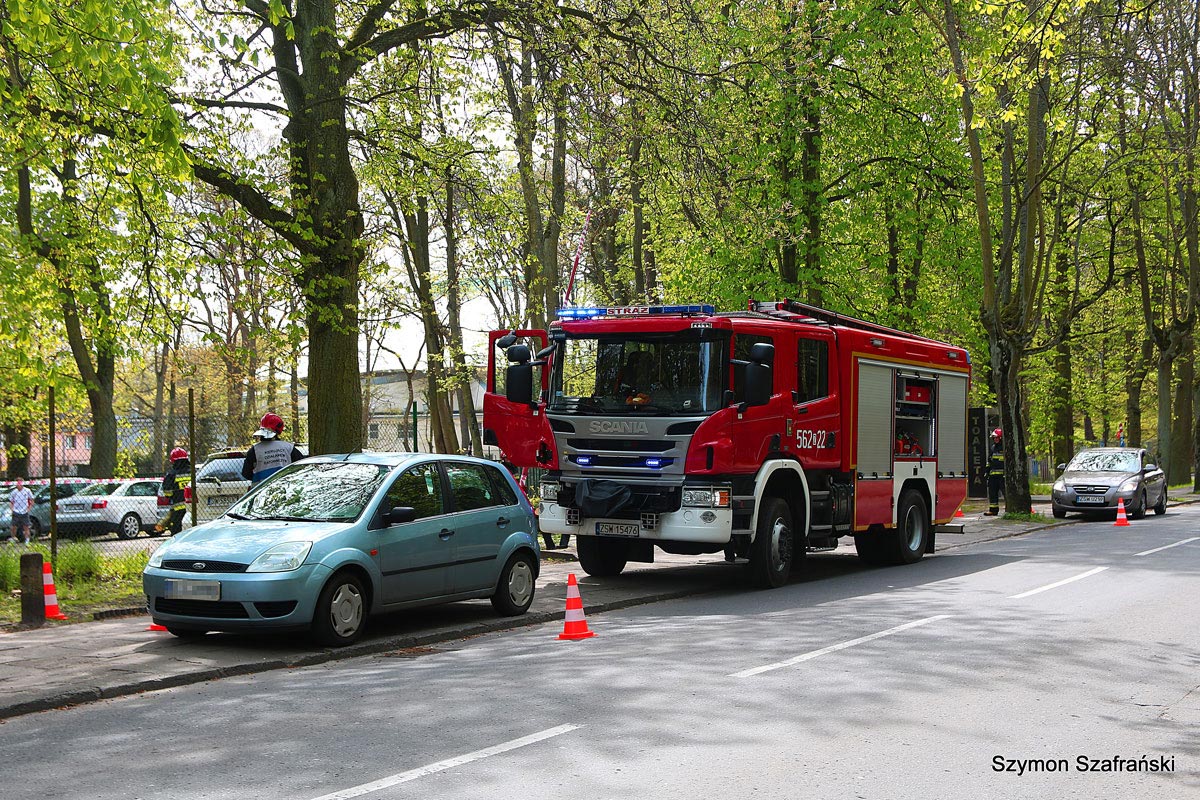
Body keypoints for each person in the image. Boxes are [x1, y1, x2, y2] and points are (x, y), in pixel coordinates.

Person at [242, 413, 304, 487]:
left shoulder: (255, 450)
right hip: (285, 488)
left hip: (261, 490)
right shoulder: (289, 448)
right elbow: (302, 466)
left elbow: (246, 473)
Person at [155, 448, 192, 535]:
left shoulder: (171, 474)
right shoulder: (194, 472)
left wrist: (173, 495)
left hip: (178, 509)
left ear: (174, 461)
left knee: (177, 531)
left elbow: (167, 492)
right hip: (193, 506)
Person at [985, 428, 1004, 516]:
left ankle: (1010, 510)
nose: (995, 439)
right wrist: (987, 472)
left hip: (1002, 476)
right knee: (992, 493)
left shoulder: (1004, 448)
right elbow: (989, 461)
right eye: (994, 438)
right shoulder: (992, 448)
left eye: (997, 437)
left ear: (1001, 438)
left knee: (1005, 493)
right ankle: (993, 510)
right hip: (993, 475)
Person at [9, 477, 35, 544]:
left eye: (20, 483)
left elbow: (32, 500)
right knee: (13, 526)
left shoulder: (27, 490)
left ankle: (27, 540)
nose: (19, 485)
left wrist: (28, 509)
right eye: (17, 483)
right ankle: (13, 538)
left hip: (24, 512)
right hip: (16, 511)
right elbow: (11, 502)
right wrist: (12, 510)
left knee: (26, 527)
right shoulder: (14, 492)